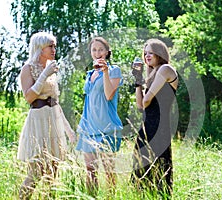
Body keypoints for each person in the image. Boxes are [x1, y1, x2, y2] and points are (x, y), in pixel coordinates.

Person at [17, 32, 76, 199]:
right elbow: (29, 97)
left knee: (53, 172)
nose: (54, 49)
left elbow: (55, 102)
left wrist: (68, 130)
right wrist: (44, 75)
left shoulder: (51, 68)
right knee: (36, 172)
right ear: (39, 48)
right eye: (50, 46)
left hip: (53, 120)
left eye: (54, 46)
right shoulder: (27, 68)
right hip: (38, 121)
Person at [131, 38, 178, 199]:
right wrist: (138, 81)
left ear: (160, 53)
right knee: (142, 173)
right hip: (146, 127)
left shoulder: (165, 69)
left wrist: (145, 85)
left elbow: (146, 100)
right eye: (145, 53)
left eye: (151, 52)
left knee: (158, 172)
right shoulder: (152, 75)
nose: (147, 56)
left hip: (159, 127)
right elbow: (140, 105)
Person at [76, 37, 123, 196]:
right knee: (90, 171)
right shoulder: (89, 74)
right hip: (88, 127)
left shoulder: (114, 70)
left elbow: (109, 95)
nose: (97, 53)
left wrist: (104, 72)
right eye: (94, 50)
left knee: (109, 171)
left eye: (101, 49)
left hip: (106, 127)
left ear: (107, 52)